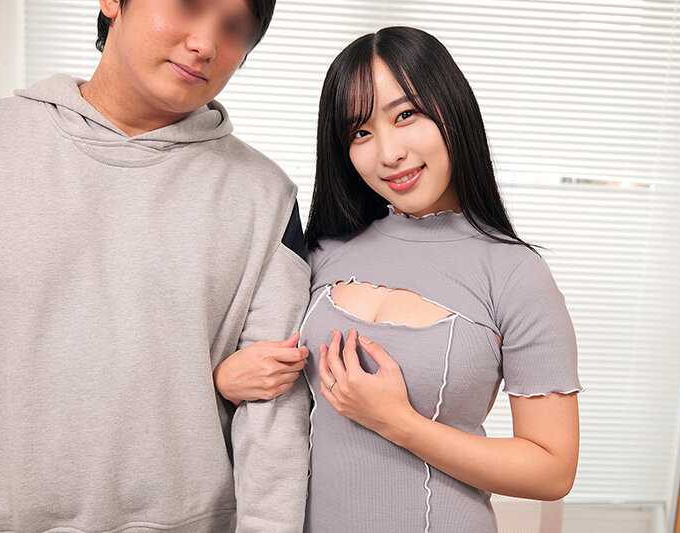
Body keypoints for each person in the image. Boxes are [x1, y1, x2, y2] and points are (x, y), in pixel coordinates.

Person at [0, 0, 311, 531]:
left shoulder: (267, 197)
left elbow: (273, 419)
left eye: (234, 28)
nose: (205, 43)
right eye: (188, 5)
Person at [216, 26, 583, 532]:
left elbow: (552, 470)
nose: (388, 153)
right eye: (360, 132)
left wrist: (399, 422)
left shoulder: (516, 274)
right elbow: (275, 397)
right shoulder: (322, 251)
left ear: (452, 109)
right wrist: (225, 382)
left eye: (405, 115)